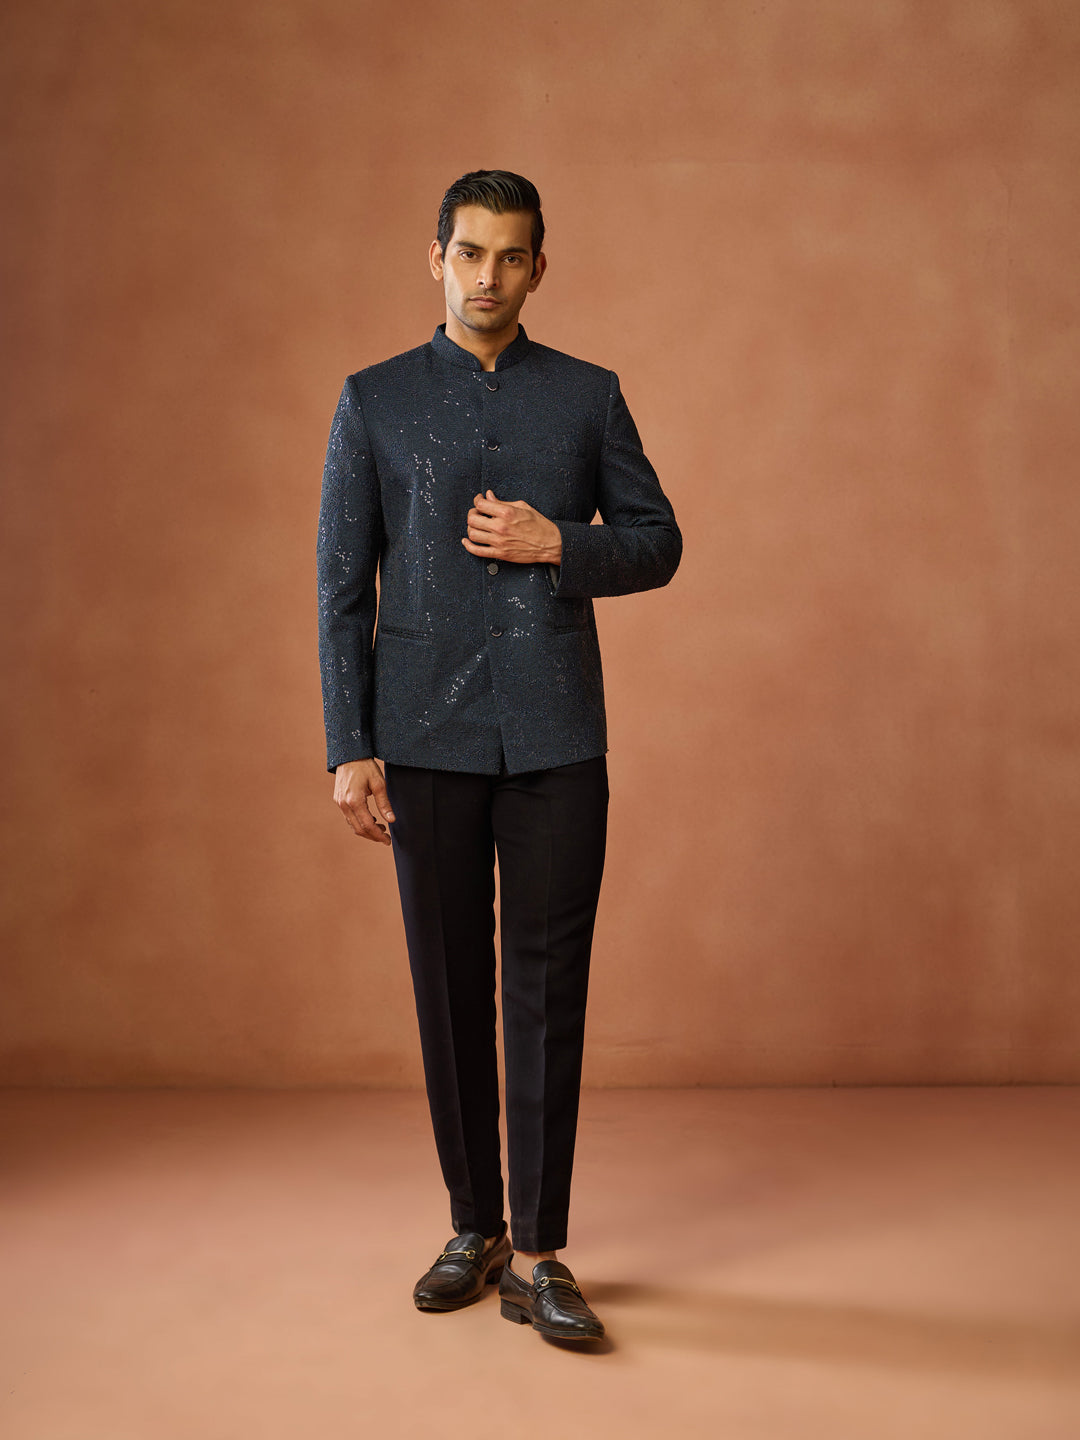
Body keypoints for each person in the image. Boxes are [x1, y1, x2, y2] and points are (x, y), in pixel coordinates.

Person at [317, 170, 681, 1343]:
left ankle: (539, 1254)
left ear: (538, 268)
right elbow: (340, 589)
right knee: (447, 984)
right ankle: (472, 1225)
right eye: (468, 253)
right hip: (421, 736)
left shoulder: (586, 395)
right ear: (436, 258)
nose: (487, 276)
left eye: (510, 256)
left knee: (547, 988)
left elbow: (659, 542)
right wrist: (350, 745)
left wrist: (556, 541)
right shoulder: (373, 400)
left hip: (557, 733)